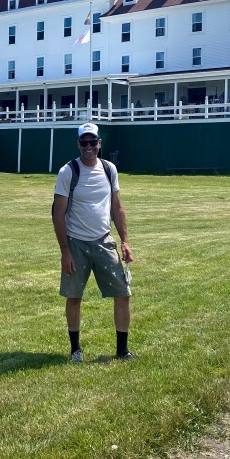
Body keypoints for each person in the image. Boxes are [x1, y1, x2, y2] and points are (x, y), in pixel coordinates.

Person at [52, 123, 134, 362]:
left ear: (100, 143)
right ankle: (75, 350)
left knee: (123, 293)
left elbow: (117, 207)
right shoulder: (68, 172)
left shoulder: (109, 169)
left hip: (104, 241)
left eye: (92, 142)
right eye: (83, 142)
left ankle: (122, 350)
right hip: (75, 243)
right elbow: (58, 213)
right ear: (78, 144)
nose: (88, 147)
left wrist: (125, 241)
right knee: (74, 296)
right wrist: (65, 251)